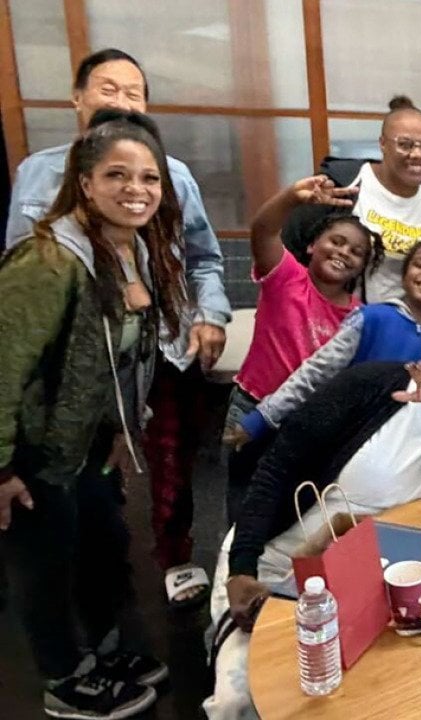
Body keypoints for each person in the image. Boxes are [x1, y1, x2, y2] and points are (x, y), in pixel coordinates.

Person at [204, 301, 421, 720]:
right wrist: (244, 566)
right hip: (283, 553)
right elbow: (279, 465)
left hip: (375, 577)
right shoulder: (373, 383)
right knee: (243, 698)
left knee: (361, 698)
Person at [4, 48, 232, 609]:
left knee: (165, 461)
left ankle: (170, 561)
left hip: (155, 348)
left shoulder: (172, 176)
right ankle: (80, 634)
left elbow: (202, 258)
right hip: (68, 371)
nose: (122, 102)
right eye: (108, 89)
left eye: (135, 93)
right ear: (77, 99)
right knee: (72, 495)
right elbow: (18, 285)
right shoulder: (37, 174)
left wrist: (209, 314)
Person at [0, 113, 189, 720]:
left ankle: (101, 655)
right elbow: (4, 366)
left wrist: (117, 429)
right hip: (32, 447)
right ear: (84, 182)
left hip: (86, 440)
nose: (137, 189)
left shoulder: (132, 248)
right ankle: (63, 679)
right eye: (117, 175)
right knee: (45, 564)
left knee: (100, 546)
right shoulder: (48, 259)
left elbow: (120, 360)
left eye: (149, 178)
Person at [223, 176, 375, 524]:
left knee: (293, 508)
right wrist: (291, 197)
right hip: (252, 404)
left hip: (305, 421)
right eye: (336, 242)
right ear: (311, 247)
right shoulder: (286, 275)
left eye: (356, 252)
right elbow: (262, 229)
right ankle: (235, 571)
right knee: (243, 502)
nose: (344, 253)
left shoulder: (358, 314)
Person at [231, 238, 421, 445]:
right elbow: (316, 372)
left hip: (398, 452)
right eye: (420, 265)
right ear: (403, 278)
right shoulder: (371, 318)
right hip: (342, 441)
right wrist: (262, 418)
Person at [283, 95, 421, 303]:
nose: (418, 154)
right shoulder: (341, 186)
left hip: (403, 329)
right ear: (382, 144)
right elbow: (288, 250)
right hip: (331, 320)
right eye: (405, 145)